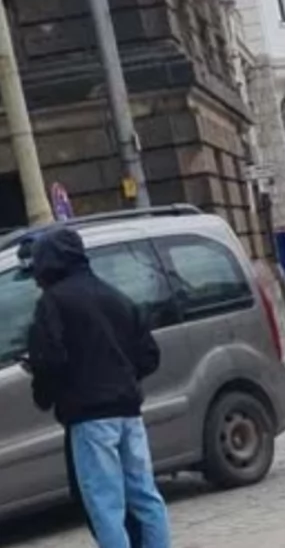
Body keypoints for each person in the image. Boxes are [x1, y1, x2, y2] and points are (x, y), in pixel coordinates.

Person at [26, 228, 171, 548]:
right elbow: (149, 356)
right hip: (129, 412)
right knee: (145, 496)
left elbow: (49, 358)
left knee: (106, 507)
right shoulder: (114, 296)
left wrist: (47, 392)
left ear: (48, 263)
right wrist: (122, 375)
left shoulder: (54, 302)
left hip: (89, 417)